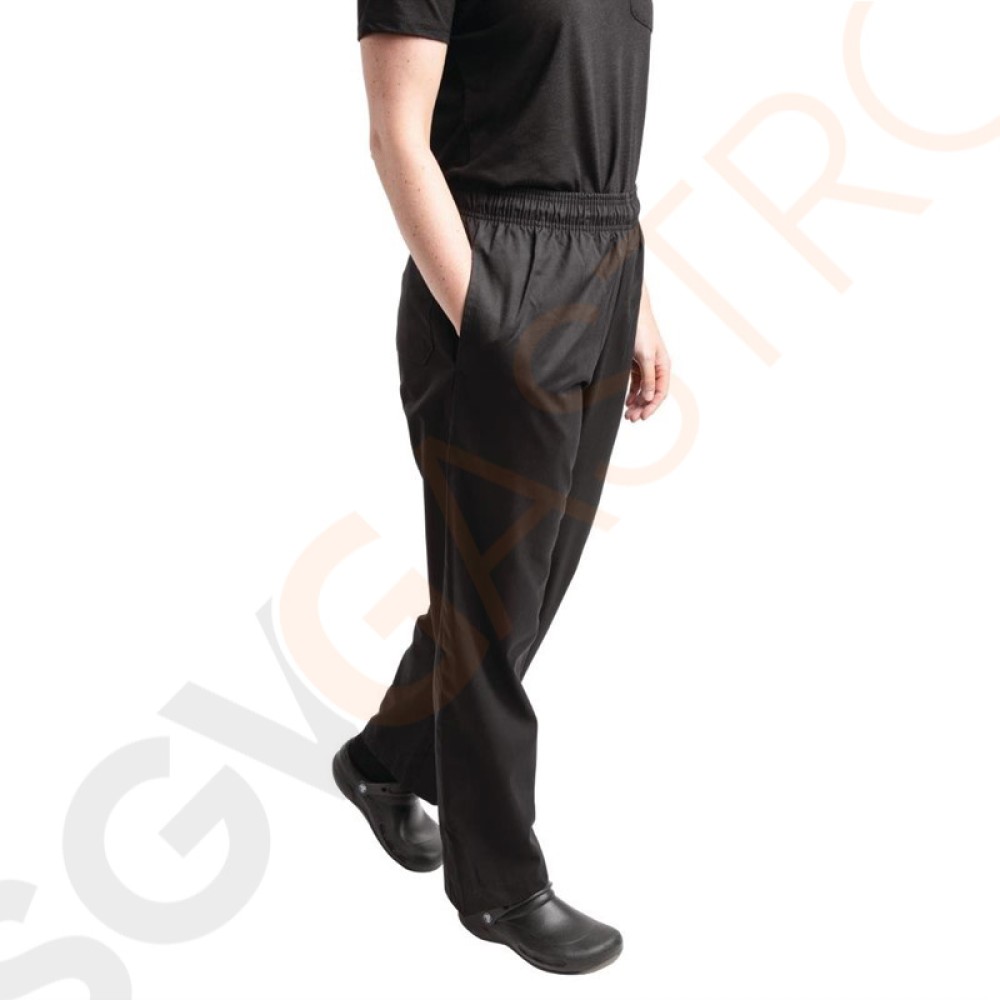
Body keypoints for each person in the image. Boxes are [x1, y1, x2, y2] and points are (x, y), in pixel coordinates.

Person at [332, 0, 670, 975]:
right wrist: (488, 317)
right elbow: (397, 137)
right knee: (491, 604)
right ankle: (499, 883)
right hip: (495, 263)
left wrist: (636, 301)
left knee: (524, 590)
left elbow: (588, 126)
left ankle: (383, 760)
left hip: (604, 259)